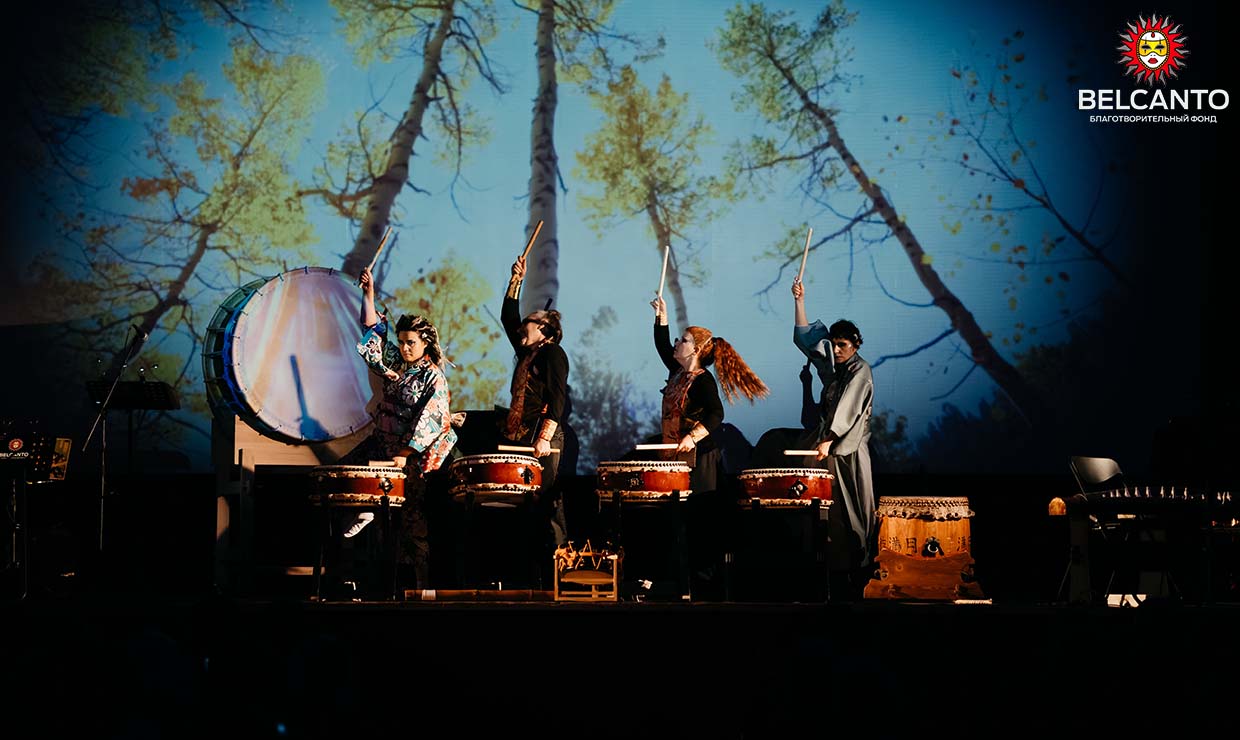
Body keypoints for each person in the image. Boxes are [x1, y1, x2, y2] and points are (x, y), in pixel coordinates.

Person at [334, 265, 458, 596]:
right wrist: (369, 293)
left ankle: (418, 588)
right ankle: (357, 561)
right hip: (381, 446)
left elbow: (431, 419)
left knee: (410, 522)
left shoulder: (433, 377)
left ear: (425, 343)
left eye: (410, 343)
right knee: (340, 479)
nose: (404, 348)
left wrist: (404, 454)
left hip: (411, 457)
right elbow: (373, 333)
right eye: (401, 342)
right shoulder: (399, 366)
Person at [791, 276, 876, 601]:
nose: (837, 350)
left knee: (854, 511)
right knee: (829, 512)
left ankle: (859, 575)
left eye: (843, 345)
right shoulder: (834, 370)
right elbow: (806, 340)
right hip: (829, 450)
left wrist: (830, 438)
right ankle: (831, 576)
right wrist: (799, 300)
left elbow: (849, 407)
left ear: (855, 345)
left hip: (847, 451)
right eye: (835, 345)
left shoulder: (859, 371)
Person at [500, 254, 571, 580]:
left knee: (547, 503)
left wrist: (543, 437)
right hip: (524, 435)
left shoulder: (553, 353)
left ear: (544, 328)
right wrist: (516, 279)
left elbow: (557, 398)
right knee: (527, 506)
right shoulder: (528, 352)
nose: (521, 327)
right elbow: (508, 317)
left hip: (545, 437)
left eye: (528, 321)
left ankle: (558, 573)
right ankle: (532, 575)